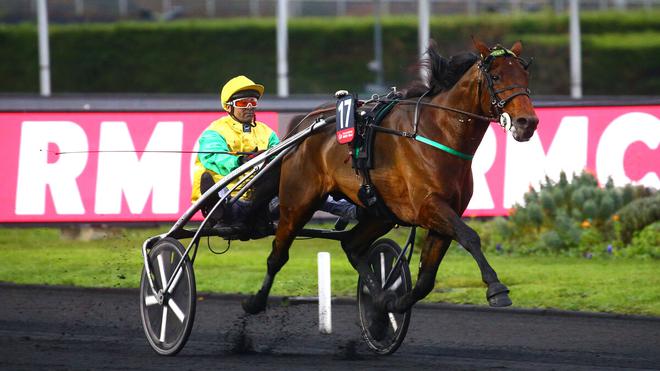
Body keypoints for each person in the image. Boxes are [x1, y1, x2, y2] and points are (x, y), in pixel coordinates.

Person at [191, 75, 356, 235]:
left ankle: (352, 210)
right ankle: (218, 207)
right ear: (228, 107)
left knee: (306, 189)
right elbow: (213, 158)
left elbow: (282, 159)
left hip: (262, 199)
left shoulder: (266, 132)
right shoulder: (214, 132)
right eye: (243, 102)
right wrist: (241, 160)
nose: (249, 106)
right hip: (232, 197)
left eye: (253, 102)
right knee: (226, 200)